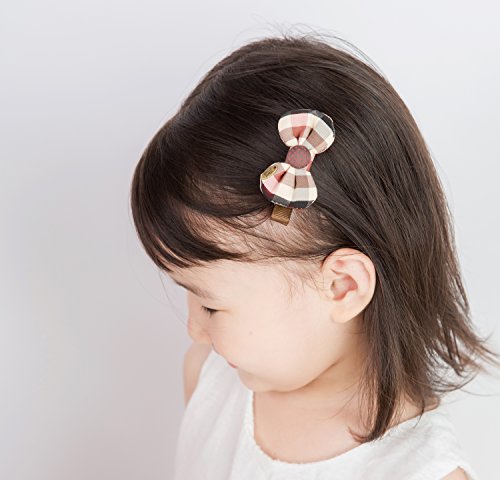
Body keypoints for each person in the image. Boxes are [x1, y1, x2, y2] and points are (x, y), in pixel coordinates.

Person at [130, 32, 500, 479]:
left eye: (210, 305)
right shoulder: (211, 382)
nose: (194, 329)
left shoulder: (419, 472)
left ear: (343, 286)